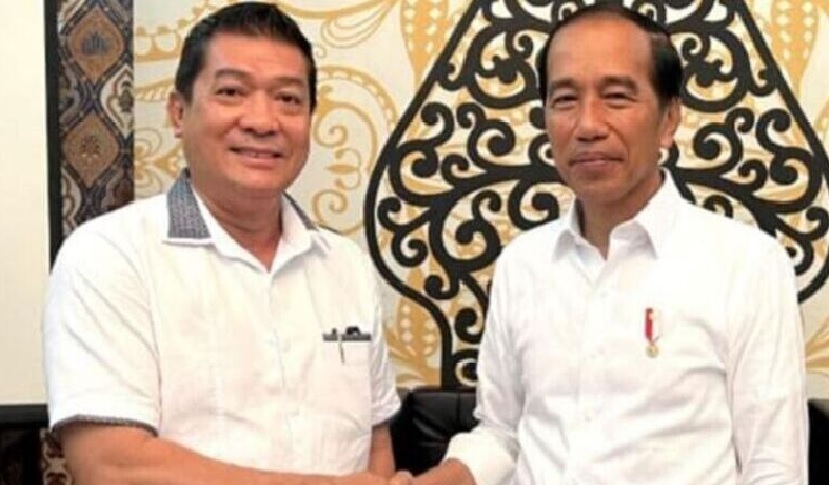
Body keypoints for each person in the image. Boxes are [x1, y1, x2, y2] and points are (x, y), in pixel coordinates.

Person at [395, 3, 809, 485]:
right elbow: (502, 433)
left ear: (669, 119)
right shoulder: (522, 264)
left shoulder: (747, 264)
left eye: (616, 97)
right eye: (565, 100)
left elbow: (774, 468)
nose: (588, 125)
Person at [43, 3, 400, 485]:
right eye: (232, 92)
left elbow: (375, 441)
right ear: (179, 112)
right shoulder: (109, 256)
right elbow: (112, 466)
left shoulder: (346, 266)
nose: (263, 121)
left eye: (288, 99)